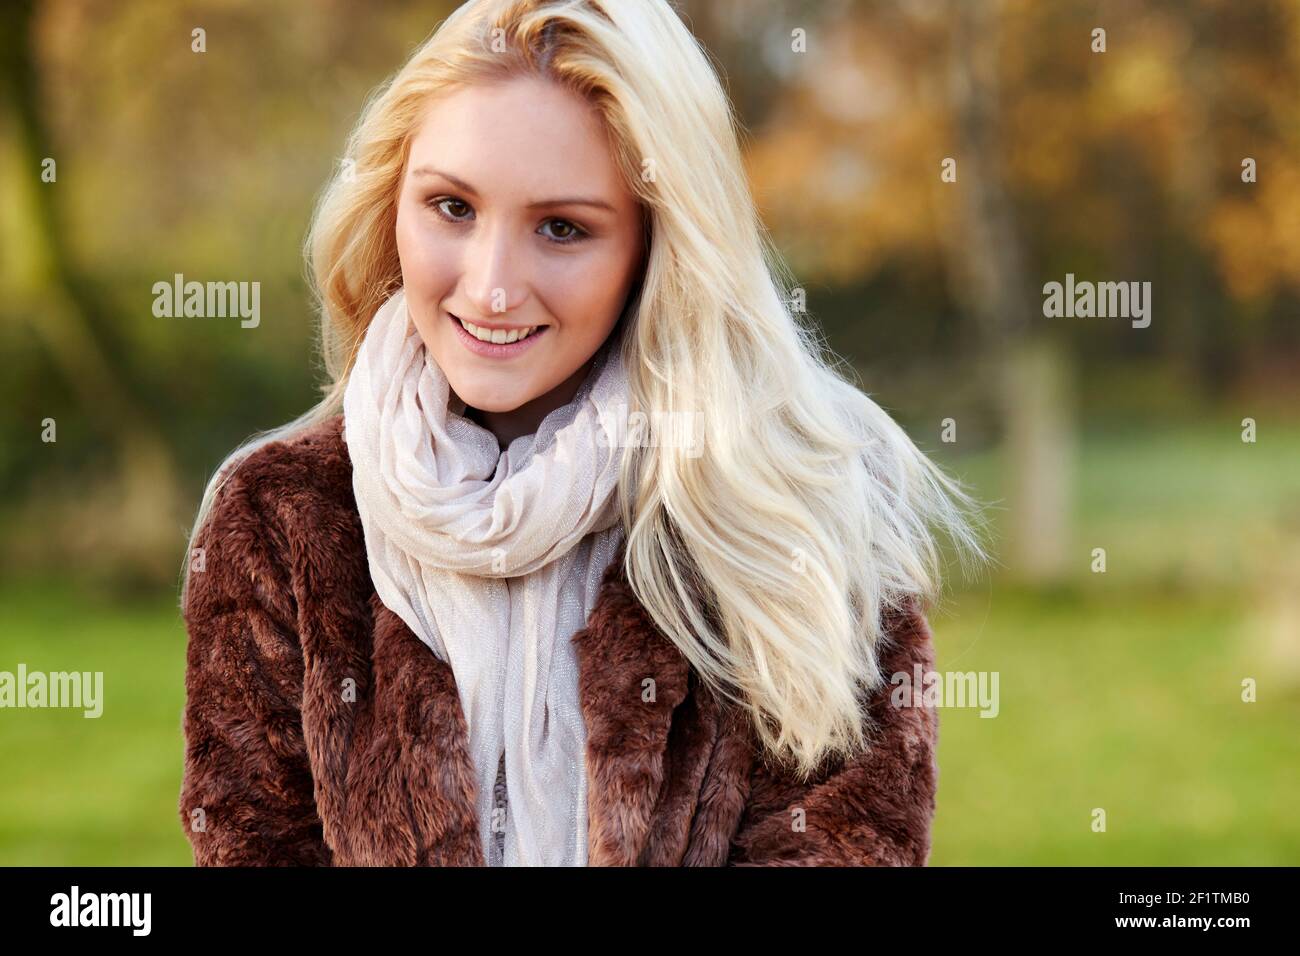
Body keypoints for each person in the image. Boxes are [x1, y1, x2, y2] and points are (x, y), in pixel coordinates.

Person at [177, 0, 989, 867]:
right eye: (451, 207)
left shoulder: (805, 517)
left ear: (658, 246)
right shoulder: (278, 519)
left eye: (562, 228)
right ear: (392, 203)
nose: (492, 288)